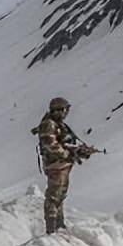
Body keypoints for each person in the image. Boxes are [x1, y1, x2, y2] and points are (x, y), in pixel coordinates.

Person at [36, 97, 96, 235]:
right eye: (65, 110)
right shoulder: (49, 124)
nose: (66, 113)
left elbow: (64, 142)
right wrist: (67, 154)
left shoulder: (58, 125)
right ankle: (51, 228)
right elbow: (51, 144)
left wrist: (79, 150)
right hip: (55, 165)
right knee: (54, 196)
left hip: (61, 165)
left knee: (60, 195)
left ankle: (59, 224)